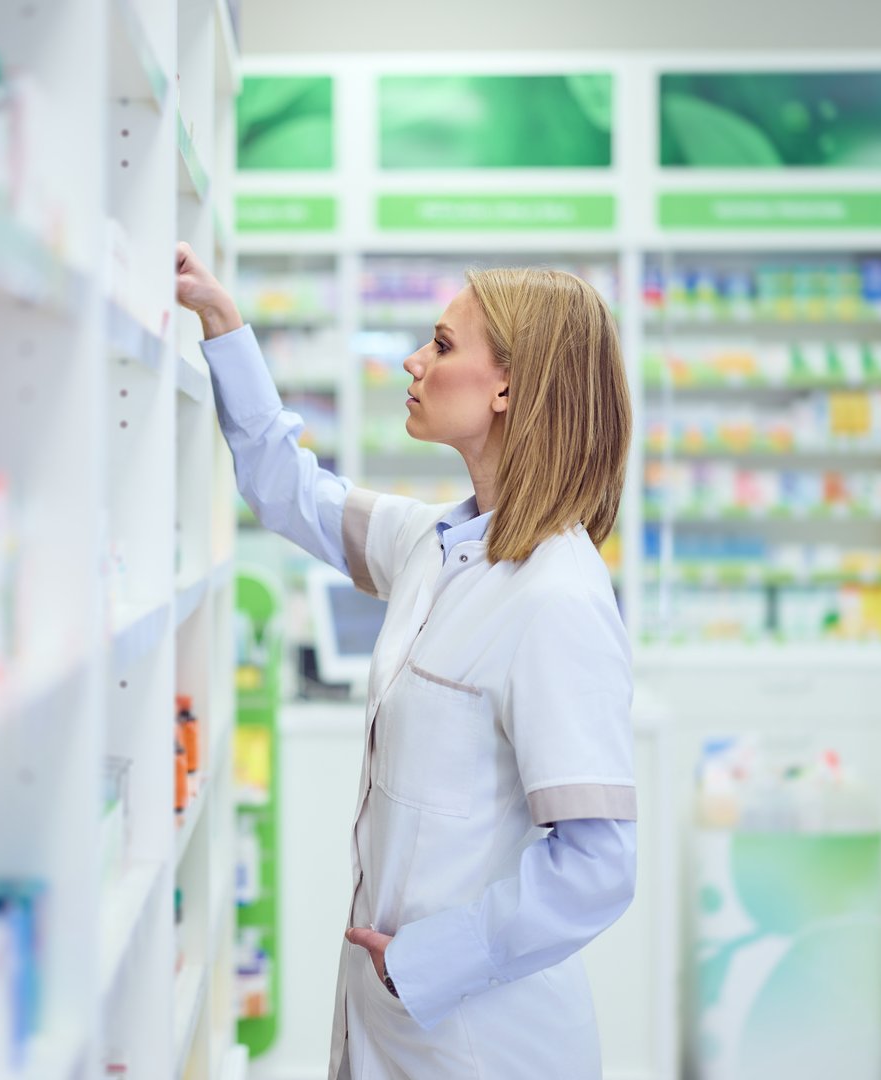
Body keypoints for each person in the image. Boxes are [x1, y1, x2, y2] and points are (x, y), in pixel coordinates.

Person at [177, 243, 637, 1080]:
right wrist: (221, 323)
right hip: (396, 1023)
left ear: (507, 387)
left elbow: (598, 869)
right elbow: (284, 487)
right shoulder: (436, 545)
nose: (412, 360)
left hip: (481, 1040)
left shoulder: (555, 599)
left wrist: (421, 963)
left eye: (442, 343)